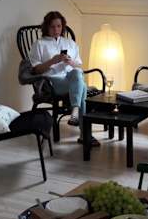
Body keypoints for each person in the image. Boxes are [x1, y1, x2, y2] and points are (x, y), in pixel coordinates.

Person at [29, 11, 99, 146]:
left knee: (77, 73)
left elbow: (78, 65)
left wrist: (70, 62)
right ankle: (84, 133)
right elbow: (36, 70)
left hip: (71, 78)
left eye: (59, 26)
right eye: (52, 26)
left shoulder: (70, 43)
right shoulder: (39, 44)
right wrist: (53, 60)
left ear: (63, 26)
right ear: (46, 27)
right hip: (51, 81)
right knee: (82, 87)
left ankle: (75, 111)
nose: (56, 30)